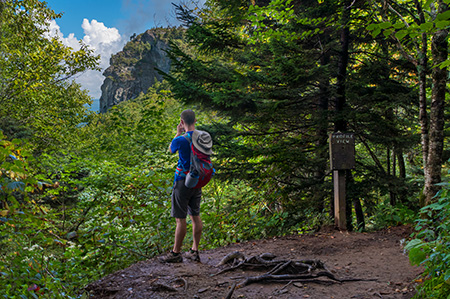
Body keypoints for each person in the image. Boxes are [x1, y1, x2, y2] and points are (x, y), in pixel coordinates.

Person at [160, 109, 208, 263]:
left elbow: (170, 150)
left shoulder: (180, 140)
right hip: (196, 180)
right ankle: (194, 250)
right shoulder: (203, 136)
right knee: (195, 215)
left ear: (182, 122)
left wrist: (177, 133)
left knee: (180, 219)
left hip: (182, 182)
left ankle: (176, 253)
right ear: (195, 120)